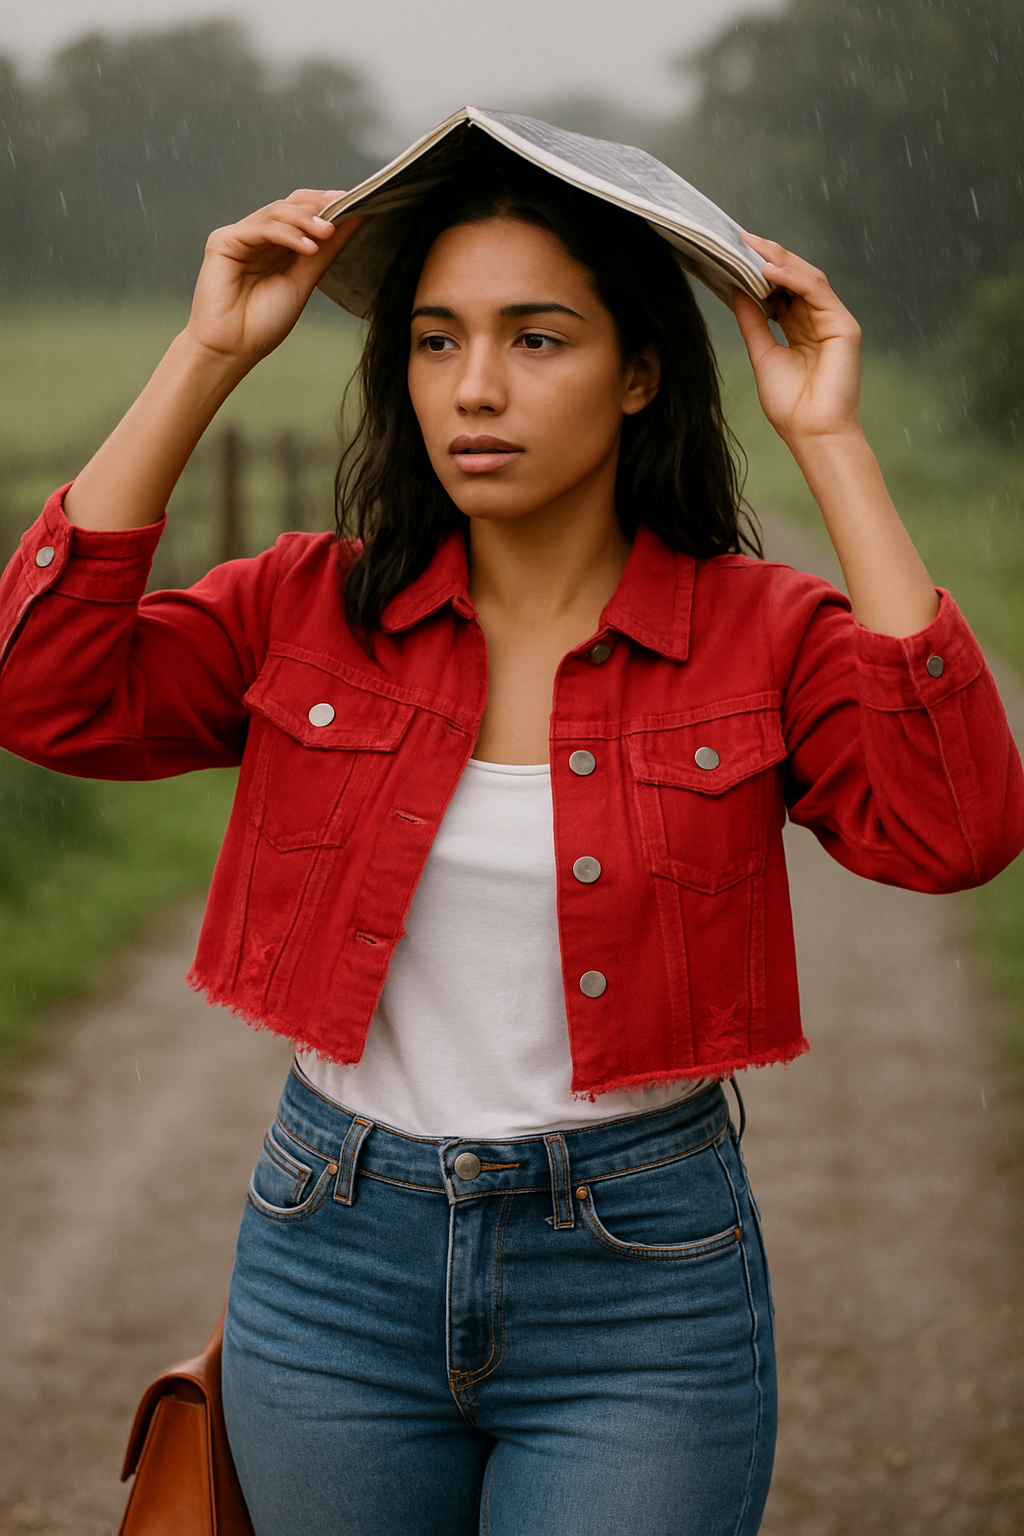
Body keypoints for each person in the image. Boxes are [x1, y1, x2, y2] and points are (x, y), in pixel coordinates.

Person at [1, 141, 1021, 1536]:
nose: (474, 387)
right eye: (435, 341)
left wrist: (828, 443)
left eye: (537, 338)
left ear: (640, 370)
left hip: (641, 1279)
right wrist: (206, 354)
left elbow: (953, 826)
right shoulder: (312, 608)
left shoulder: (759, 634)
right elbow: (42, 691)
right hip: (330, 1258)